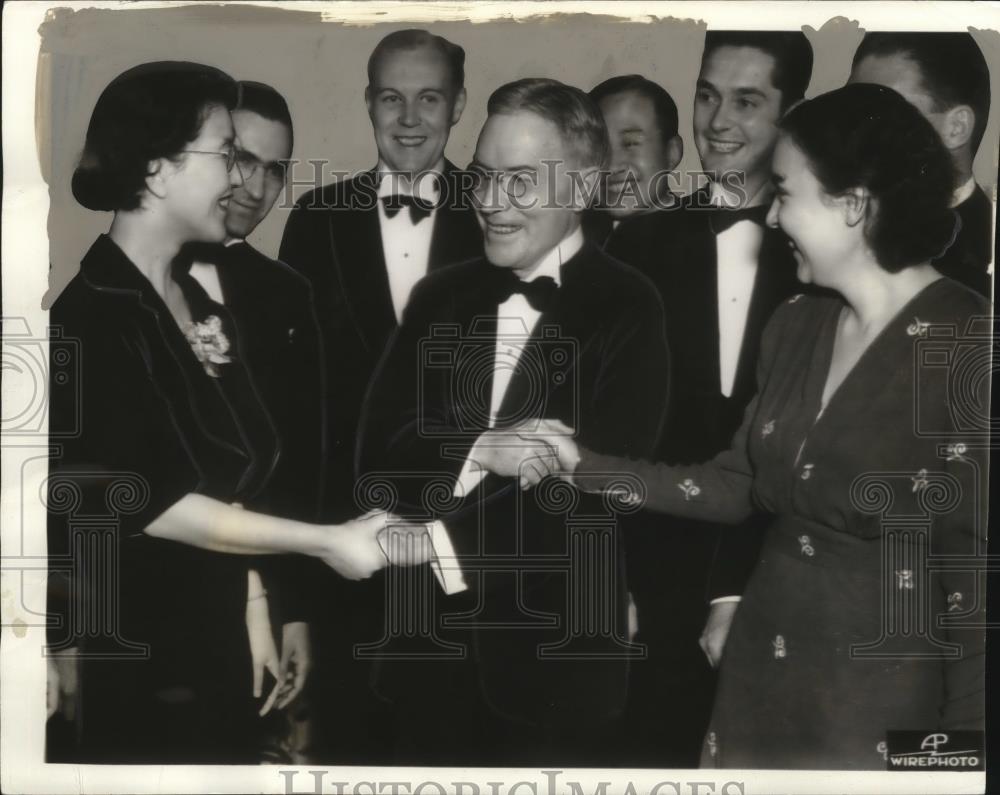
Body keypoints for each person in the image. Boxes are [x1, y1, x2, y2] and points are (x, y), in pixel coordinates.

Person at [526, 83, 988, 769]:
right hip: (758, 675)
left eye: (785, 193)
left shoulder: (970, 343)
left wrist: (958, 759)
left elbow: (976, 583)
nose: (772, 217)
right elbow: (736, 482)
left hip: (883, 697)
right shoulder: (797, 324)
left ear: (853, 205)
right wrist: (583, 465)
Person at [45, 62, 395, 764]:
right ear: (157, 169)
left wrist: (254, 606)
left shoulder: (198, 308)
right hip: (142, 652)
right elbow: (152, 499)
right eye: (225, 153)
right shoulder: (89, 317)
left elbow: (237, 475)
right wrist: (324, 540)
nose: (241, 180)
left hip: (217, 640)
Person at [357, 78, 670, 766]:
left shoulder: (631, 305)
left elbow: (592, 489)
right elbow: (379, 453)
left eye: (522, 182)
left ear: (585, 188)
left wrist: (430, 540)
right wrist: (480, 448)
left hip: (554, 670)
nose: (492, 203)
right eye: (485, 178)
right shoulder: (441, 294)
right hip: (418, 657)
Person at [602, 31, 809, 766]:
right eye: (707, 95)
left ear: (793, 112)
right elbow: (604, 428)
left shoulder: (822, 254)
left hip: (787, 569)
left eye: (747, 101)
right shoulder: (633, 247)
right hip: (651, 570)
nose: (717, 120)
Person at [277, 31, 483, 761]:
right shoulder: (314, 219)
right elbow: (296, 414)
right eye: (391, 97)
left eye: (429, 97)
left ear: (458, 106)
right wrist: (293, 593)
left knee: (456, 755)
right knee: (348, 751)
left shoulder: (500, 217)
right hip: (344, 547)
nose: (408, 116)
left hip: (466, 553)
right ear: (368, 103)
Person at [181, 80, 326, 759]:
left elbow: (297, 465)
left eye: (276, 169)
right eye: (241, 157)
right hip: (162, 591)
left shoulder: (289, 293)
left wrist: (293, 608)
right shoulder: (137, 275)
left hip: (266, 590)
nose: (255, 184)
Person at [849, 33, 993, 298]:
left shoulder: (986, 257)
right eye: (854, 111)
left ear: (956, 128)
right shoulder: (828, 226)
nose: (859, 132)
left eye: (887, 113)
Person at [584, 74, 683, 245]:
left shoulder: (703, 243)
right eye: (600, 146)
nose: (612, 165)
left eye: (630, 143)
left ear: (671, 153)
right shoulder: (574, 241)